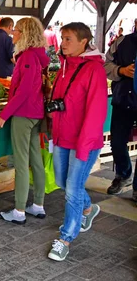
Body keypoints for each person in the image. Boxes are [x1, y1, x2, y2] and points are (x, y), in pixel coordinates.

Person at [47, 22, 107, 261]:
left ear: (84, 42)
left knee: (72, 188)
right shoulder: (64, 66)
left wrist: (85, 144)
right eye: (62, 38)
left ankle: (65, 238)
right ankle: (88, 208)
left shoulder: (95, 70)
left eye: (68, 39)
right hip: (63, 135)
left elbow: (96, 111)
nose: (63, 43)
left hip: (84, 140)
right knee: (63, 181)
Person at [0, 17, 50, 225]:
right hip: (36, 113)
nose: (13, 34)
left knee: (21, 162)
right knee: (36, 161)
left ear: (25, 34)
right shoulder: (38, 55)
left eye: (16, 31)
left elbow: (24, 91)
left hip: (24, 114)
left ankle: (19, 210)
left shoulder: (27, 57)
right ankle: (38, 205)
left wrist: (4, 114)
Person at [104, 18, 137, 200]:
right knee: (117, 142)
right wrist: (121, 71)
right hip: (123, 98)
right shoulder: (122, 42)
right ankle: (123, 174)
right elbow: (105, 65)